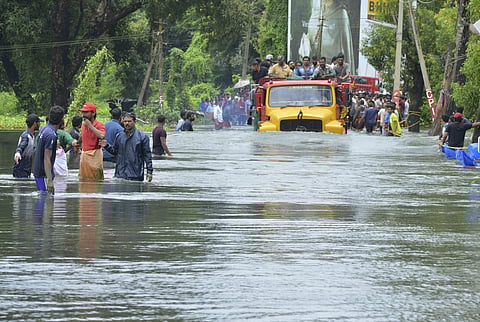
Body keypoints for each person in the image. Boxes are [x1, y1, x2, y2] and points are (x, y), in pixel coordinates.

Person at [101, 112, 153, 182]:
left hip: (135, 175)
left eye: (129, 121)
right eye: (125, 121)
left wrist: (149, 172)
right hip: (120, 174)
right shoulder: (119, 136)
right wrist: (107, 146)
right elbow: (115, 152)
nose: (127, 123)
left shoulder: (142, 137)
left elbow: (147, 156)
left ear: (134, 122)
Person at [33, 105, 65, 194]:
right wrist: (50, 180)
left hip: (39, 172)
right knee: (45, 201)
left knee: (44, 201)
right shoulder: (51, 135)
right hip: (44, 174)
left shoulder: (44, 129)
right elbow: (47, 158)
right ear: (62, 119)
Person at [77, 102, 106, 181]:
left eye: (86, 112)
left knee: (95, 180)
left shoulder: (99, 125)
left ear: (93, 113)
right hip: (84, 156)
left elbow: (102, 135)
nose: (83, 114)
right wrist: (77, 144)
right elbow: (83, 136)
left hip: (95, 156)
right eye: (83, 112)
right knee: (83, 179)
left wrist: (90, 126)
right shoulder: (83, 125)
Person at [13, 114, 44, 178]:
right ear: (35, 123)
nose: (39, 124)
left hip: (25, 170)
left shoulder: (31, 136)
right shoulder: (26, 136)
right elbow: (21, 146)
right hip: (21, 170)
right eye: (39, 122)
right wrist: (18, 153)